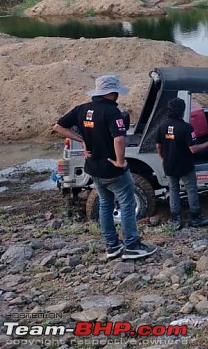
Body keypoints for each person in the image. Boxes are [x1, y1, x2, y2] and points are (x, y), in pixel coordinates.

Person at [53, 74, 157, 261]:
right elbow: (119, 138)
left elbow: (58, 127)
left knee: (106, 204)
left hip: (94, 169)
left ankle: (112, 246)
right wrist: (120, 161)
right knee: (127, 203)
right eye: (116, 91)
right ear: (111, 93)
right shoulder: (112, 112)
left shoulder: (81, 110)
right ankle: (132, 245)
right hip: (112, 169)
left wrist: (82, 140)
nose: (118, 94)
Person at [155, 98, 208, 228]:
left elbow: (158, 146)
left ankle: (175, 219)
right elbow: (193, 149)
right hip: (185, 165)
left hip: (169, 165)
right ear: (182, 111)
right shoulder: (186, 127)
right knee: (191, 190)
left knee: (173, 190)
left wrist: (162, 158)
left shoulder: (161, 126)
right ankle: (195, 218)